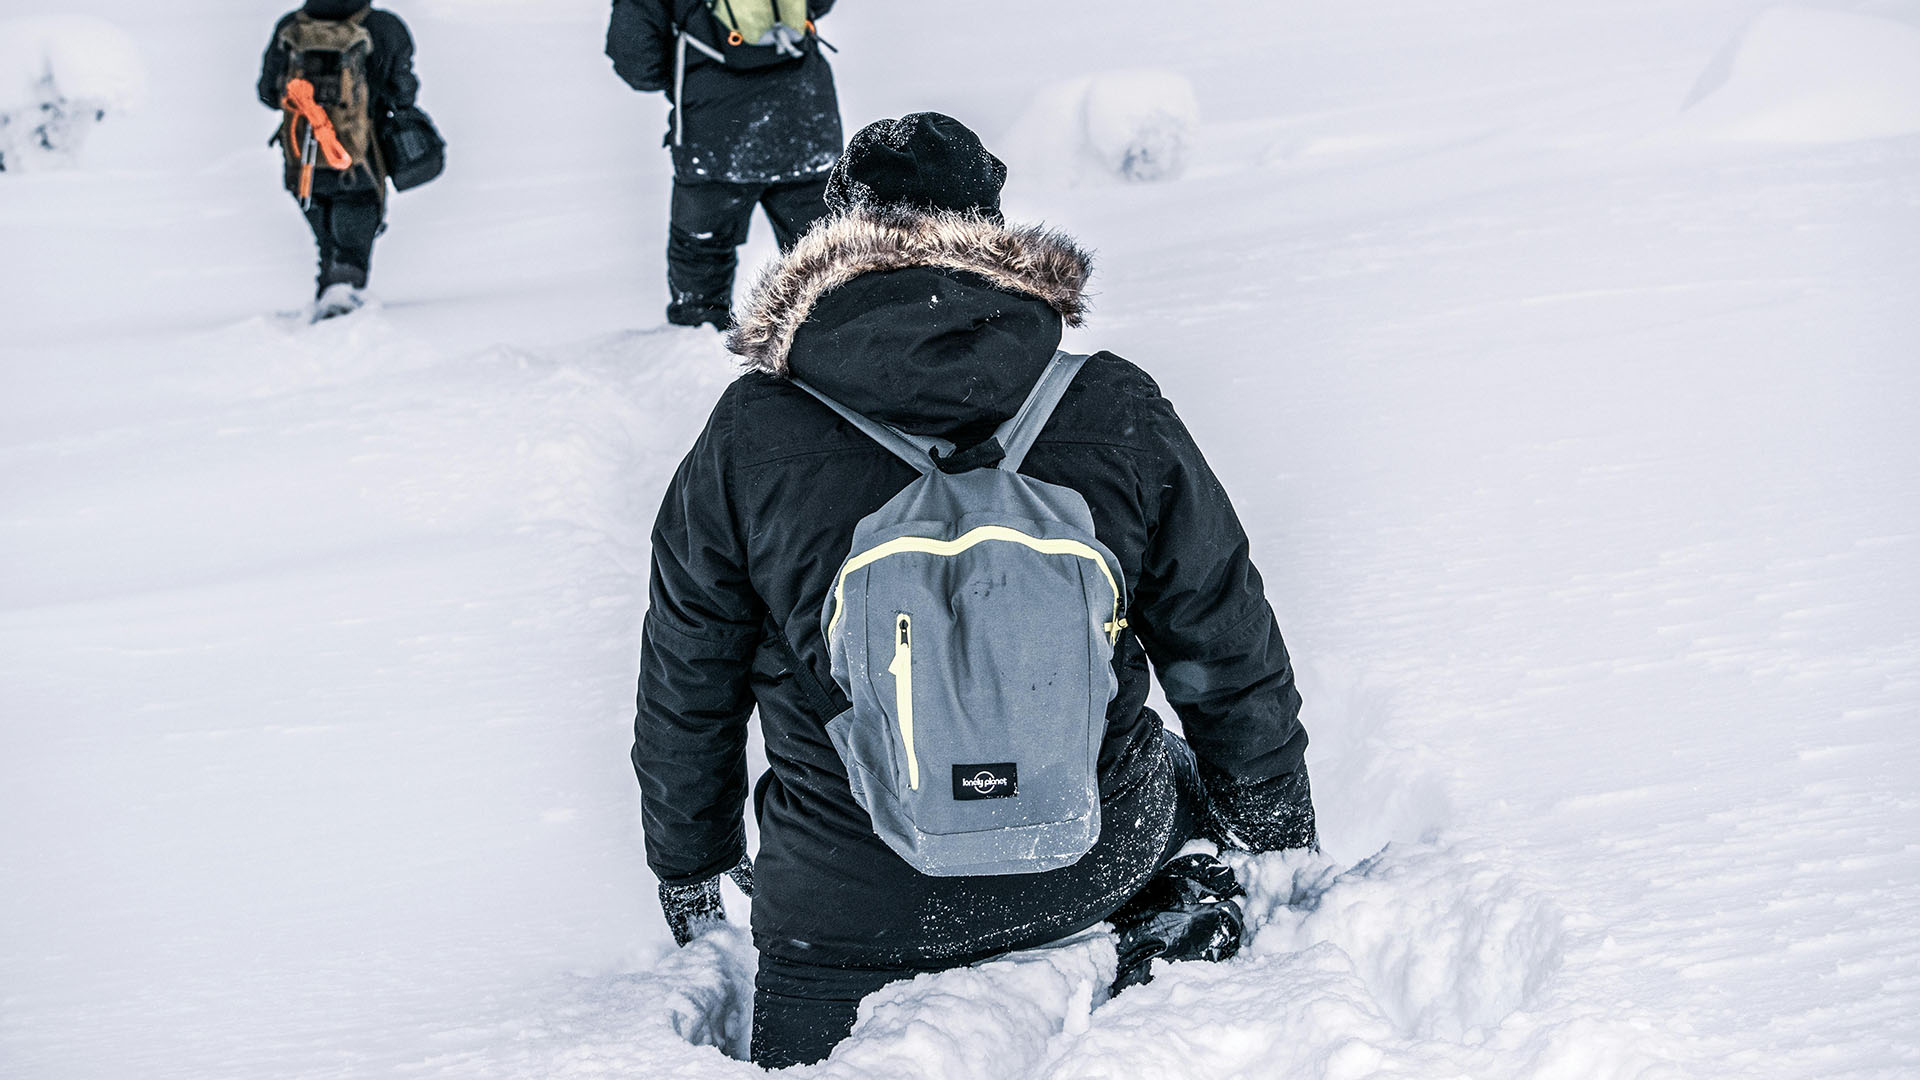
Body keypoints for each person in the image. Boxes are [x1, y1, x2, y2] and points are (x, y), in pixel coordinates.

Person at [631, 113, 1316, 1068]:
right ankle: (1178, 909)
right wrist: (1275, 825)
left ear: (836, 239)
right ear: (991, 231)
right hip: (1092, 859)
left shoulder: (751, 434)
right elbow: (1222, 637)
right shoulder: (1108, 401)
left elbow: (687, 682)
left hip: (845, 907)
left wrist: (691, 866)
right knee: (1165, 763)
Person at [605, 0, 843, 330]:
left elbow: (634, 56)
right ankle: (843, 345)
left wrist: (691, 76)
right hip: (805, 122)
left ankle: (700, 346)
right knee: (827, 255)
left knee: (701, 255)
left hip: (714, 133)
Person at [257, 0, 419, 318]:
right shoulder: (383, 26)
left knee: (327, 244)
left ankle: (328, 301)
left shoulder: (292, 26)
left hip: (302, 160)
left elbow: (268, 93)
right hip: (361, 159)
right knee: (352, 248)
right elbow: (403, 93)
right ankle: (341, 306)